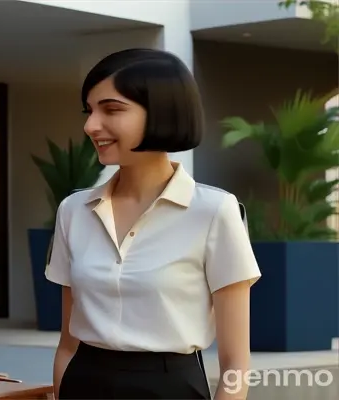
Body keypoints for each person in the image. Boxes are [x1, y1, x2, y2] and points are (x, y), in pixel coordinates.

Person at [48, 48, 261, 400]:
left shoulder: (214, 211)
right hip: (83, 383)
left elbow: (236, 363)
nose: (90, 125)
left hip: (171, 387)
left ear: (162, 112)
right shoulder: (73, 211)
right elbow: (67, 344)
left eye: (111, 109)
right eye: (89, 110)